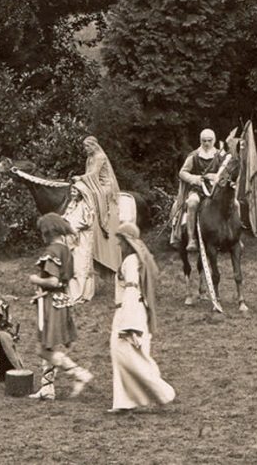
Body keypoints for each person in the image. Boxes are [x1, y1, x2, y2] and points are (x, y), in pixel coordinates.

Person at [110, 222, 176, 413]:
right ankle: (124, 401)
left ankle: (162, 392)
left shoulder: (131, 260)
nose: (119, 244)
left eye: (120, 240)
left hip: (129, 312)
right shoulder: (137, 258)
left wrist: (128, 325)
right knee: (122, 355)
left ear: (126, 241)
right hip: (133, 311)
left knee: (128, 356)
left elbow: (132, 289)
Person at [28, 213, 93, 400]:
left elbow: (54, 280)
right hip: (62, 300)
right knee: (49, 346)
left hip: (51, 302)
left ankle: (78, 373)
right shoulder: (65, 249)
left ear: (47, 232)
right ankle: (47, 387)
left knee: (42, 348)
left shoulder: (52, 251)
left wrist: (36, 279)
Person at [170, 129, 228, 252]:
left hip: (216, 190)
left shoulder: (221, 155)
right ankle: (192, 240)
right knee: (191, 203)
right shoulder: (194, 156)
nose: (207, 143)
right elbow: (182, 172)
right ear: (200, 140)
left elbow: (228, 172)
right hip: (197, 189)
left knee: (234, 204)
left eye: (209, 140)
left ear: (214, 140)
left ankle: (231, 237)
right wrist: (195, 178)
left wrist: (217, 177)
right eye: (204, 141)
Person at [72, 136, 122, 274]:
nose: (85, 149)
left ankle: (103, 221)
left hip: (104, 184)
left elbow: (94, 174)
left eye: (87, 146)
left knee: (95, 196)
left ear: (93, 146)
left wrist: (81, 177)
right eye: (84, 147)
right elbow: (90, 175)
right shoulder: (90, 158)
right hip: (95, 183)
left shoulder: (100, 157)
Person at [62, 180, 96, 302]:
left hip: (83, 238)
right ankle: (72, 292)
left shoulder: (85, 206)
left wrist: (71, 226)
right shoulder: (72, 204)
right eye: (72, 190)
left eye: (75, 191)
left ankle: (82, 294)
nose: (73, 193)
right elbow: (67, 216)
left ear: (81, 193)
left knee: (81, 264)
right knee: (72, 263)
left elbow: (86, 222)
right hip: (72, 237)